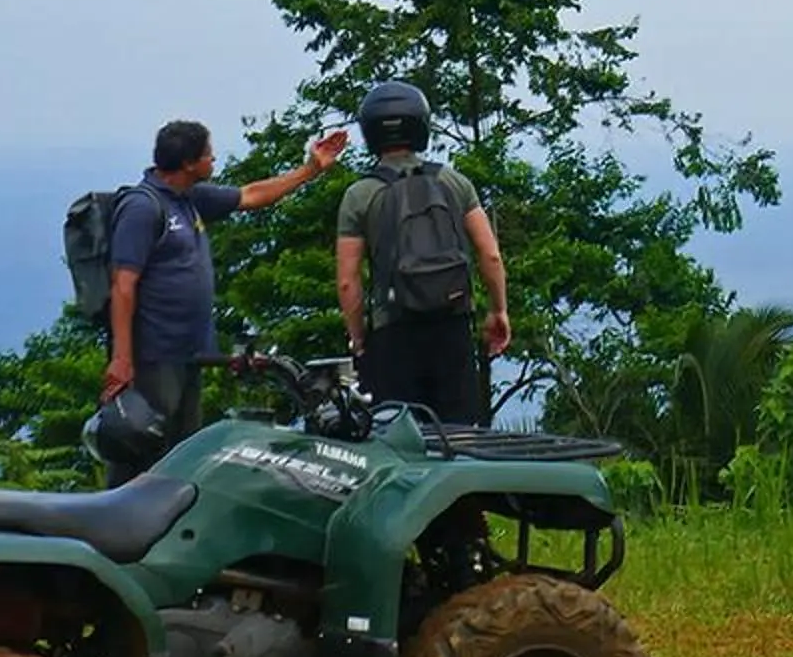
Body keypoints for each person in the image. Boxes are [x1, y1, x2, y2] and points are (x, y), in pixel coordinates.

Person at [102, 117, 349, 481]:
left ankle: (171, 531)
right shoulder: (143, 207)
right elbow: (123, 285)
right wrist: (122, 359)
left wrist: (311, 169)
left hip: (189, 354)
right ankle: (114, 531)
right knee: (142, 452)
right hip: (153, 355)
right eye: (208, 154)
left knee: (182, 457)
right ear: (188, 163)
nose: (214, 159)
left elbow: (252, 194)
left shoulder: (190, 199)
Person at [334, 80, 510, 428]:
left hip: (393, 333)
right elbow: (490, 256)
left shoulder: (360, 195)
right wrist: (499, 310)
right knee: (457, 438)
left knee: (395, 441)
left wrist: (358, 340)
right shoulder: (455, 183)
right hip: (452, 326)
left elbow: (347, 282)